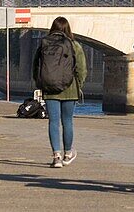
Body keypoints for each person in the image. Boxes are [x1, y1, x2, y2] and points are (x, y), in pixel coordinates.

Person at [33, 16, 87, 168]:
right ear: (67, 28)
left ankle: (56, 156)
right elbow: (82, 69)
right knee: (67, 121)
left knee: (54, 122)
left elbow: (36, 66)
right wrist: (78, 84)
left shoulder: (43, 44)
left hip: (50, 88)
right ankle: (68, 154)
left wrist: (41, 83)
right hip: (70, 88)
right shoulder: (74, 45)